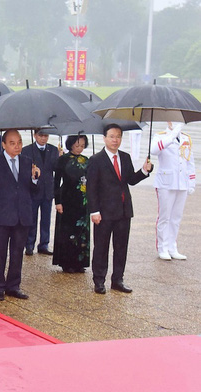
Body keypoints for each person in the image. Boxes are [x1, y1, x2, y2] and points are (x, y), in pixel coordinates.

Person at [86, 124, 152, 294]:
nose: (115, 140)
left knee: (121, 247)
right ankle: (99, 281)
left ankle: (118, 280)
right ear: (105, 138)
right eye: (112, 136)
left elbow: (130, 180)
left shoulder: (125, 157)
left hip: (123, 210)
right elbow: (91, 188)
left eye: (118, 137)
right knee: (101, 247)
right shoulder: (96, 160)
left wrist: (144, 171)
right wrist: (94, 211)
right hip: (104, 212)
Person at [0, 129, 39, 301]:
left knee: (17, 253)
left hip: (22, 215)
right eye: (12, 143)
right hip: (1, 216)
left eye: (19, 142)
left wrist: (35, 178)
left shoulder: (28, 161)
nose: (17, 146)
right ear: (4, 144)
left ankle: (13, 286)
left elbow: (33, 191)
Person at [151, 122, 195, 261]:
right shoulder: (160, 136)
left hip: (182, 182)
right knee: (164, 217)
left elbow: (190, 161)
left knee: (176, 217)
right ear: (168, 121)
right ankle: (162, 248)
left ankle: (172, 247)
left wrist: (191, 181)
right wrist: (172, 135)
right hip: (166, 182)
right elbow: (154, 150)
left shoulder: (186, 138)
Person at [52, 135, 90, 273]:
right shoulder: (62, 160)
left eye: (82, 145)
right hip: (67, 198)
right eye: (77, 145)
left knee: (82, 231)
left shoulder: (87, 161)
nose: (79, 148)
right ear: (71, 144)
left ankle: (80, 262)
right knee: (67, 231)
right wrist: (58, 202)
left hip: (82, 199)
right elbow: (56, 182)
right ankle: (66, 262)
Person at [22, 131, 59, 255]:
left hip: (48, 189)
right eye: (41, 136)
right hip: (33, 189)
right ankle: (29, 244)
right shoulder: (27, 150)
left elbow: (56, 168)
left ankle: (44, 244)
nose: (43, 138)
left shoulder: (53, 150)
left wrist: (61, 158)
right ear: (35, 135)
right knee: (31, 218)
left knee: (46, 219)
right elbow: (23, 169)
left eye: (46, 136)